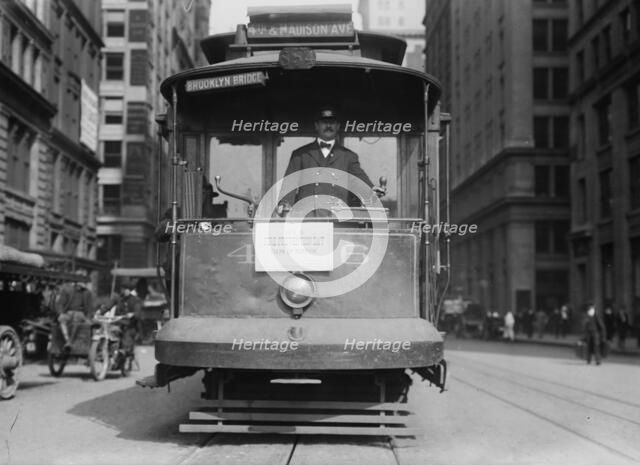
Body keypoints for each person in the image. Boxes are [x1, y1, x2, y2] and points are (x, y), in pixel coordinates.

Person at [279, 106, 385, 216]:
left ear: (338, 126)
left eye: (332, 122)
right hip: (307, 220)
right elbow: (288, 186)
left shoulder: (348, 156)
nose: (328, 126)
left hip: (337, 221)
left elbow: (359, 179)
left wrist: (372, 190)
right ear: (317, 126)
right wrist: (284, 205)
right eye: (324, 122)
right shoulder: (300, 155)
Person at [56, 280, 94, 349]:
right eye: (79, 285)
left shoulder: (87, 293)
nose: (80, 287)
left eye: (82, 285)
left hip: (80, 312)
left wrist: (88, 318)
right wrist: (61, 313)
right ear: (76, 284)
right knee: (62, 319)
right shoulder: (67, 290)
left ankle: (69, 342)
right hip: (68, 312)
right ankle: (67, 340)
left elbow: (89, 307)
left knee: (76, 319)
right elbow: (60, 303)